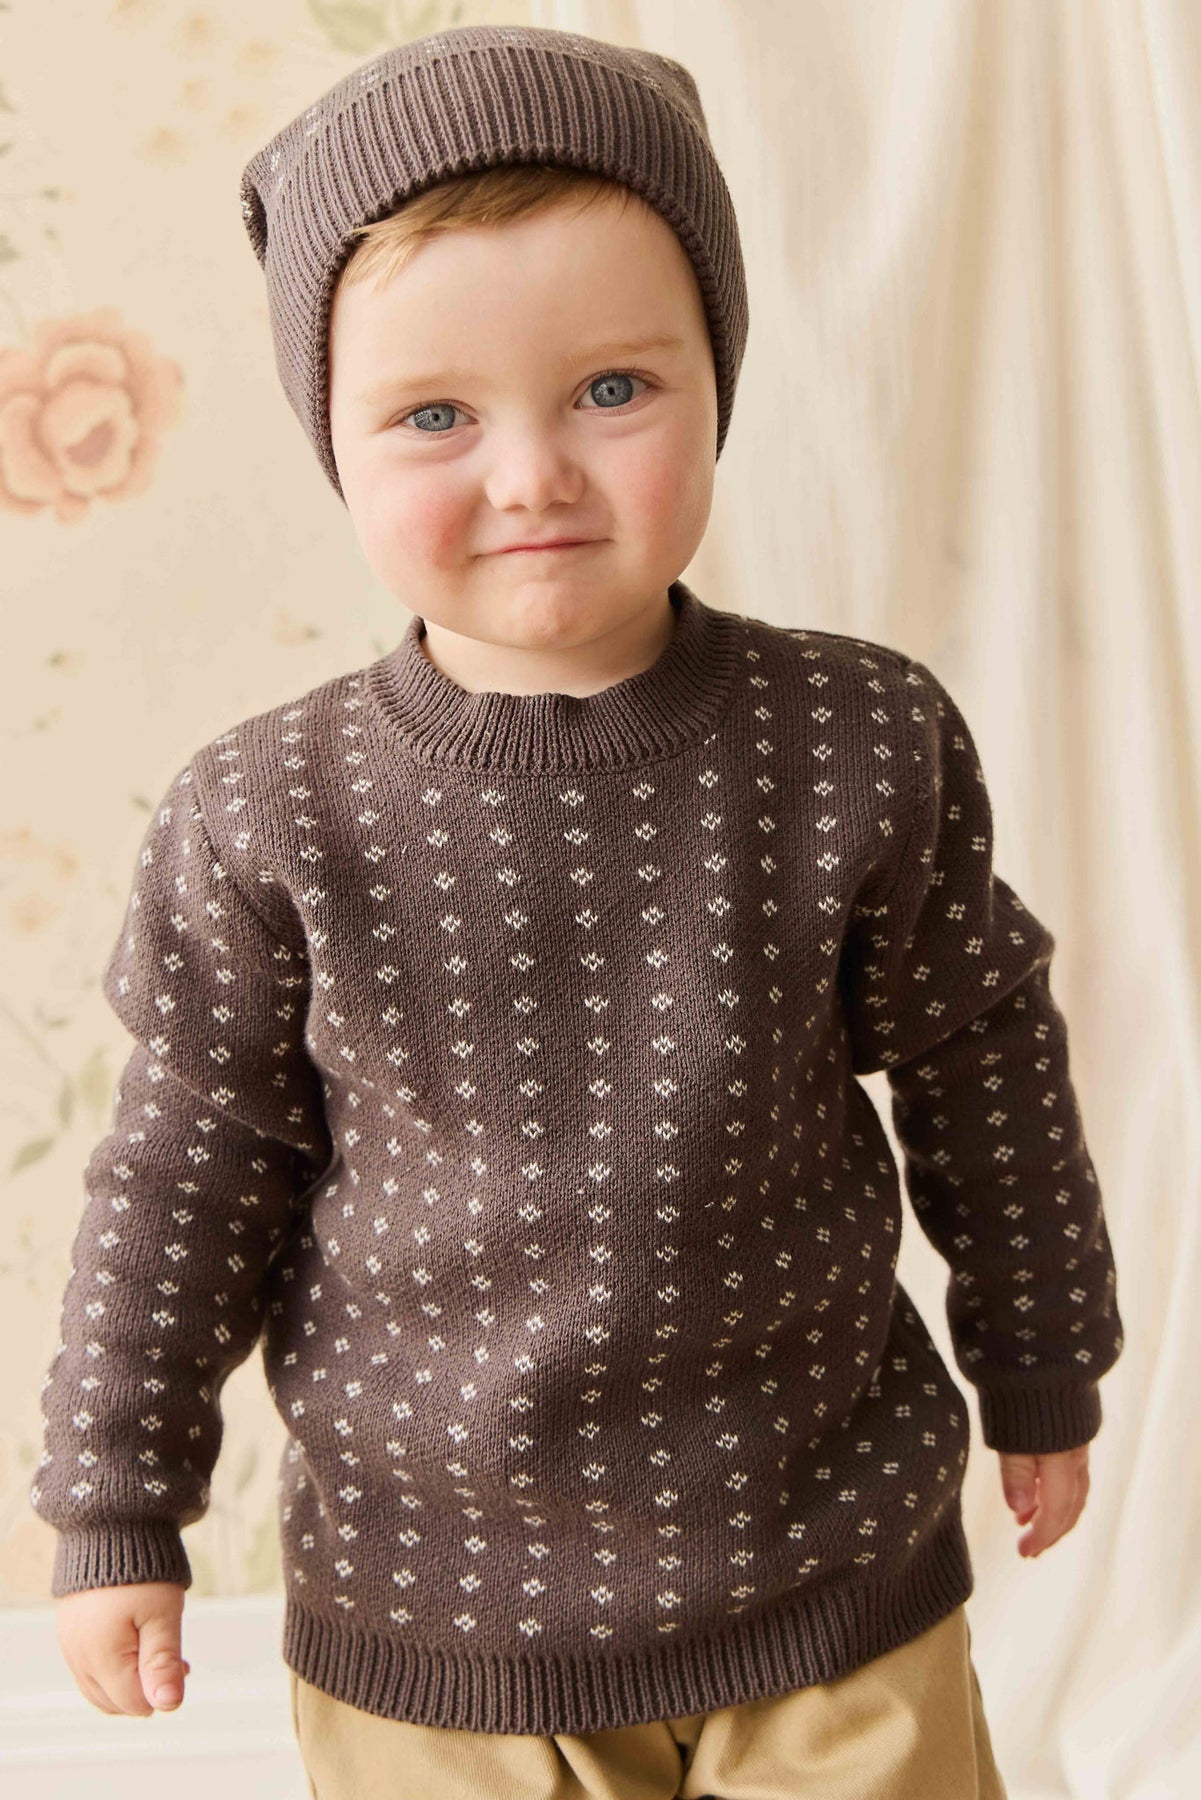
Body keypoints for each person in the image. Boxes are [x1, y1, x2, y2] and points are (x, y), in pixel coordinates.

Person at [33, 23, 1123, 1800]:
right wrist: (116, 1500)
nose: (531, 472)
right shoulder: (267, 816)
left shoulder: (856, 739)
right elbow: (179, 1182)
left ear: (718, 384)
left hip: (825, 1568)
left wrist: (1042, 1361)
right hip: (434, 1618)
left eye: (613, 388)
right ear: (333, 441)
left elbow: (983, 1069)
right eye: (434, 416)